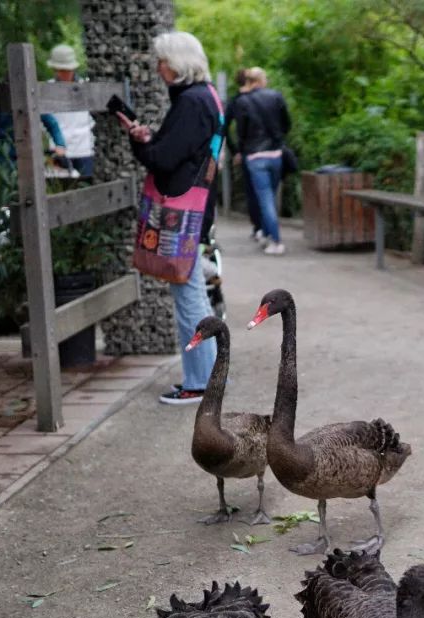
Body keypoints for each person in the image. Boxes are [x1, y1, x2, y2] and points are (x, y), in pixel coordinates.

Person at [116, 31, 221, 405]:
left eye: (162, 61)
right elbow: (176, 148)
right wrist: (149, 139)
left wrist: (139, 141)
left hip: (183, 213)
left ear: (177, 64)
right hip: (197, 205)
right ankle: (207, 377)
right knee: (193, 292)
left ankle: (201, 382)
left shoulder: (191, 102)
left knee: (188, 294)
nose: (159, 68)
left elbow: (162, 159)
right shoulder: (207, 97)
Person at [227, 66, 291, 256]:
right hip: (275, 154)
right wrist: (278, 140)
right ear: (262, 80)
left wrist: (240, 150)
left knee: (265, 200)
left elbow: (241, 131)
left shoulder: (243, 101)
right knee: (270, 196)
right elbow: (287, 123)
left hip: (255, 156)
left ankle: (275, 240)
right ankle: (267, 234)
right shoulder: (276, 97)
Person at [46, 43, 96, 177]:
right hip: (58, 151)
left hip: (85, 151)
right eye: (60, 70)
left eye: (66, 70)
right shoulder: (46, 89)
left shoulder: (86, 87)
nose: (63, 73)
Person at [225, 67, 263, 241]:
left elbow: (225, 128)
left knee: (253, 191)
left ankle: (258, 227)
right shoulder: (261, 98)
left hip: (247, 151)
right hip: (265, 149)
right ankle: (264, 227)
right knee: (263, 191)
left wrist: (235, 151)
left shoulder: (235, 101)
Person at [0, 110, 66, 177]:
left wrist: (60, 144)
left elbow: (52, 123)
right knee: (6, 204)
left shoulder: (28, 99)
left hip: (29, 166)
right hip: (1, 169)